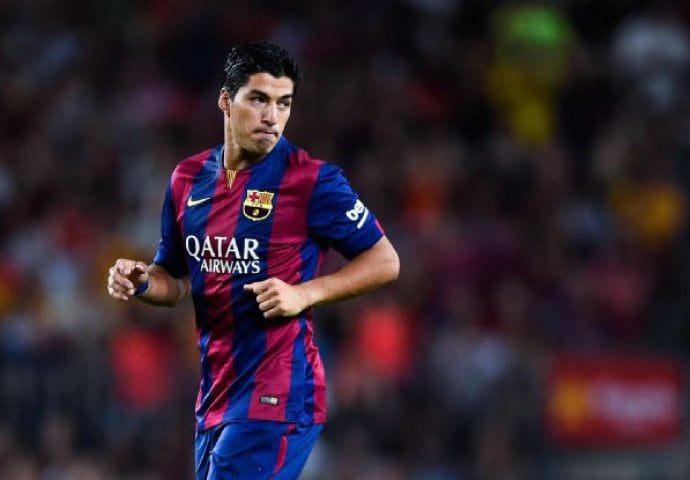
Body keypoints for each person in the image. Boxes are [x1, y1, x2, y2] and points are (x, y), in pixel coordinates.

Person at [106, 41, 399, 480]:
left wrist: (304, 293)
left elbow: (385, 260)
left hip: (279, 393)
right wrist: (143, 281)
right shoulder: (187, 179)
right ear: (226, 100)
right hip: (216, 394)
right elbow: (178, 281)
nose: (272, 116)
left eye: (284, 103)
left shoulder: (312, 180)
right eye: (259, 99)